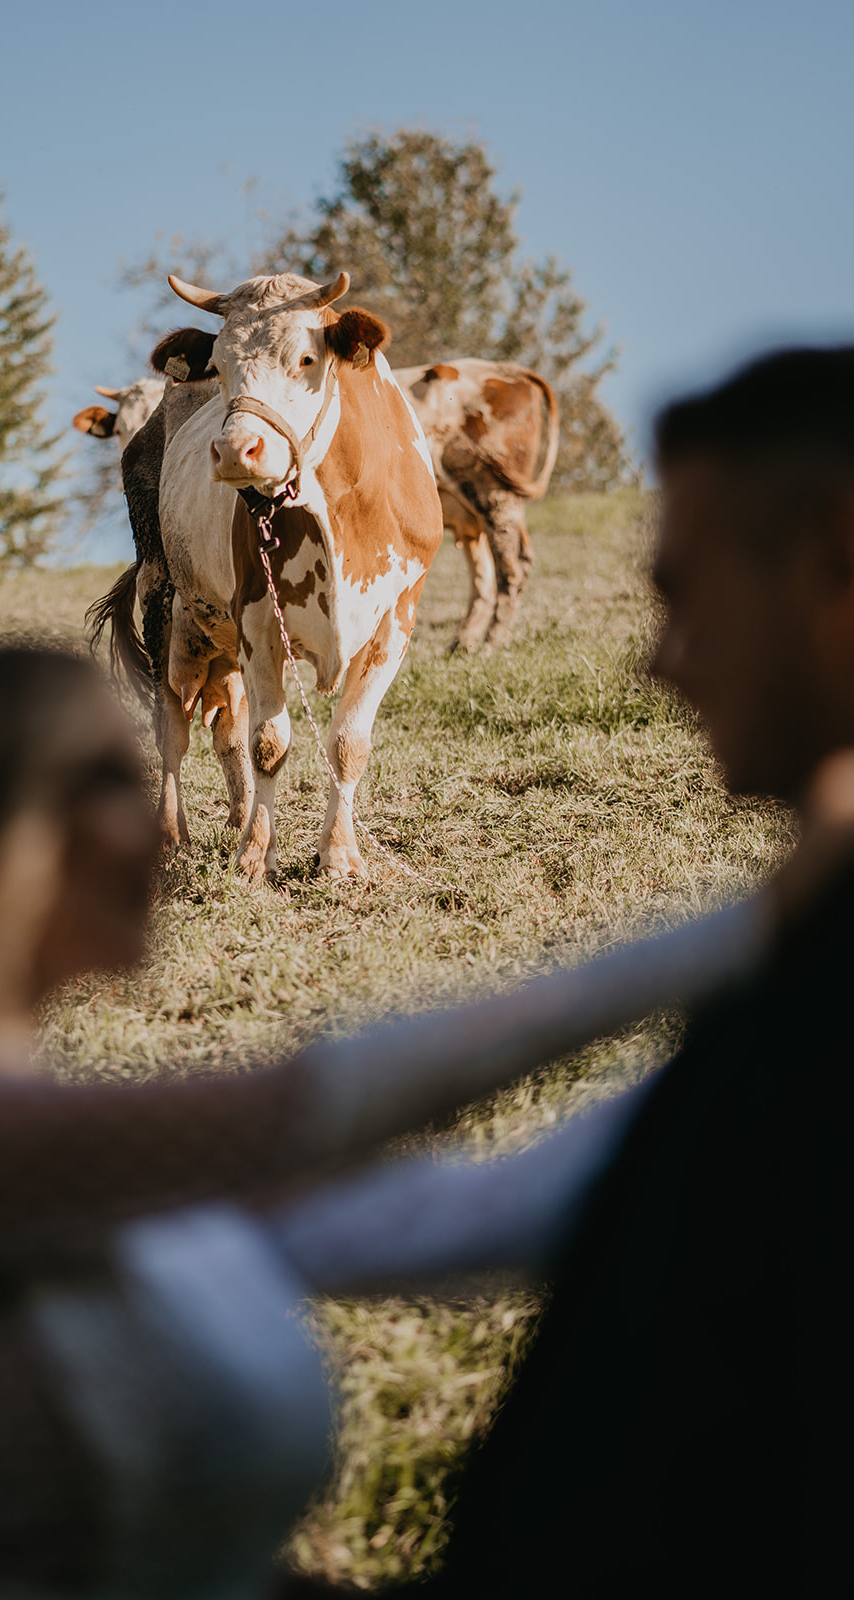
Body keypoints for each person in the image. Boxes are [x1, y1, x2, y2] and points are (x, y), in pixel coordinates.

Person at [0, 644, 779, 1599]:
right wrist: (760, 919)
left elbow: (477, 1212)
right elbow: (315, 1107)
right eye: (101, 779)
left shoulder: (68, 1166)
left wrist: (782, 1035)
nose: (156, 829)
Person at [275, 344, 854, 1598]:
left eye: (683, 593)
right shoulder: (800, 956)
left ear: (835, 561)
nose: (662, 661)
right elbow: (499, 1207)